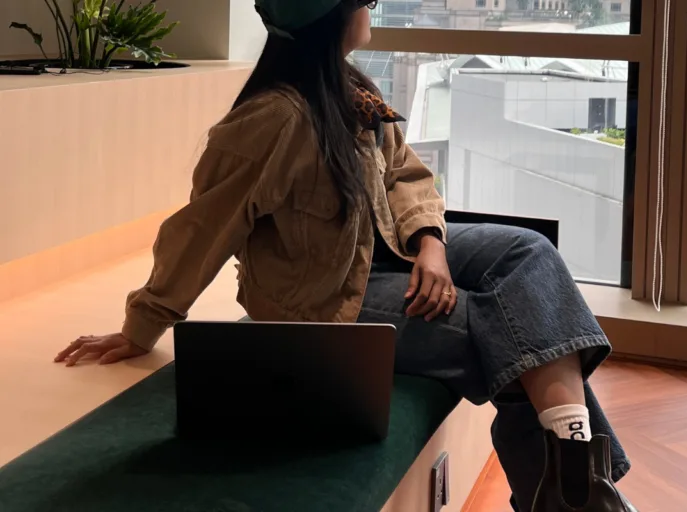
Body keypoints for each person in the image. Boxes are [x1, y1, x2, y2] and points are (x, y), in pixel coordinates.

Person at [54, 1, 637, 510]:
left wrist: (430, 244)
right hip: (324, 297)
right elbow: (201, 229)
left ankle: (573, 482)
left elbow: (406, 175)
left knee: (527, 252)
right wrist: (144, 324)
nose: (372, 9)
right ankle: (580, 491)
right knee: (501, 332)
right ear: (332, 16)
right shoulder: (271, 120)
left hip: (385, 250)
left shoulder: (351, 87)